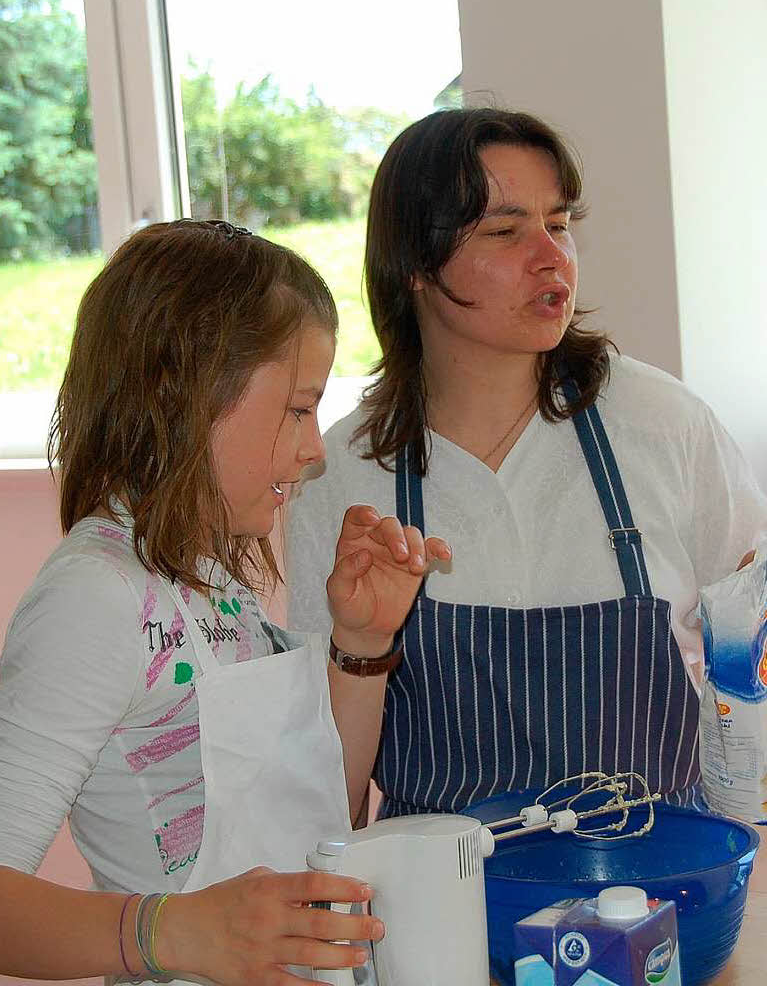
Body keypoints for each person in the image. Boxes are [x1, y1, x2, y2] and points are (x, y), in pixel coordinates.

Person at [0, 219, 450, 984]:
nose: (314, 452)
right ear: (194, 391)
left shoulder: (207, 576)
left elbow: (318, 819)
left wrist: (363, 643)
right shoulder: (97, 596)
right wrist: (169, 931)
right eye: (299, 408)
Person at [285, 107, 767, 820]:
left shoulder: (662, 424)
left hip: (659, 896)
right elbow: (321, 792)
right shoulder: (345, 471)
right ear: (415, 264)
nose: (551, 257)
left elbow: (752, 648)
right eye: (505, 232)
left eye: (560, 223)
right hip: (441, 909)